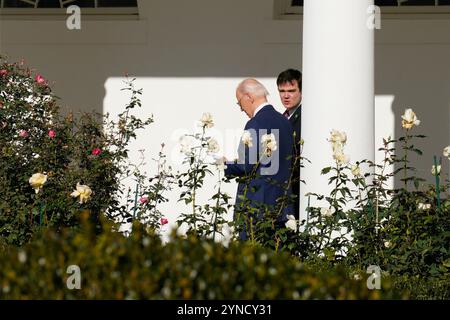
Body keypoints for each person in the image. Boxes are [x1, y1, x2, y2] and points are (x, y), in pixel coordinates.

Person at [224, 78, 294, 240]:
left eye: (239, 102)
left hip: (257, 209)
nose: (241, 108)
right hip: (283, 208)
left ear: (249, 97)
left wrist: (225, 165)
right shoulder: (285, 122)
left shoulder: (255, 123)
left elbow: (246, 166)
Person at [277, 69, 302, 220]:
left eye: (291, 91)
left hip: (297, 189)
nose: (286, 96)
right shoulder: (283, 117)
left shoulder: (306, 117)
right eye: (282, 91)